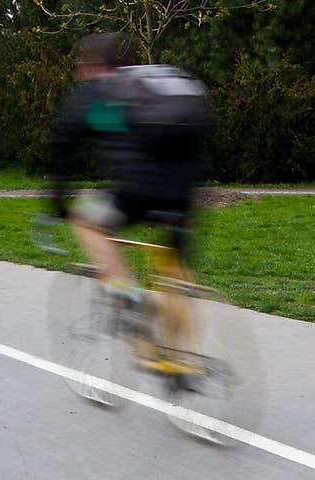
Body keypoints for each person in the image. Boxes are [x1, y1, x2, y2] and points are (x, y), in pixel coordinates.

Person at [48, 32, 211, 299]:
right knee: (172, 277)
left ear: (94, 66)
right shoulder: (158, 81)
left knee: (85, 220)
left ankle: (124, 290)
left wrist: (57, 203)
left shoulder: (102, 94)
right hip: (185, 191)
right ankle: (178, 329)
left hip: (139, 189)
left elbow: (66, 143)